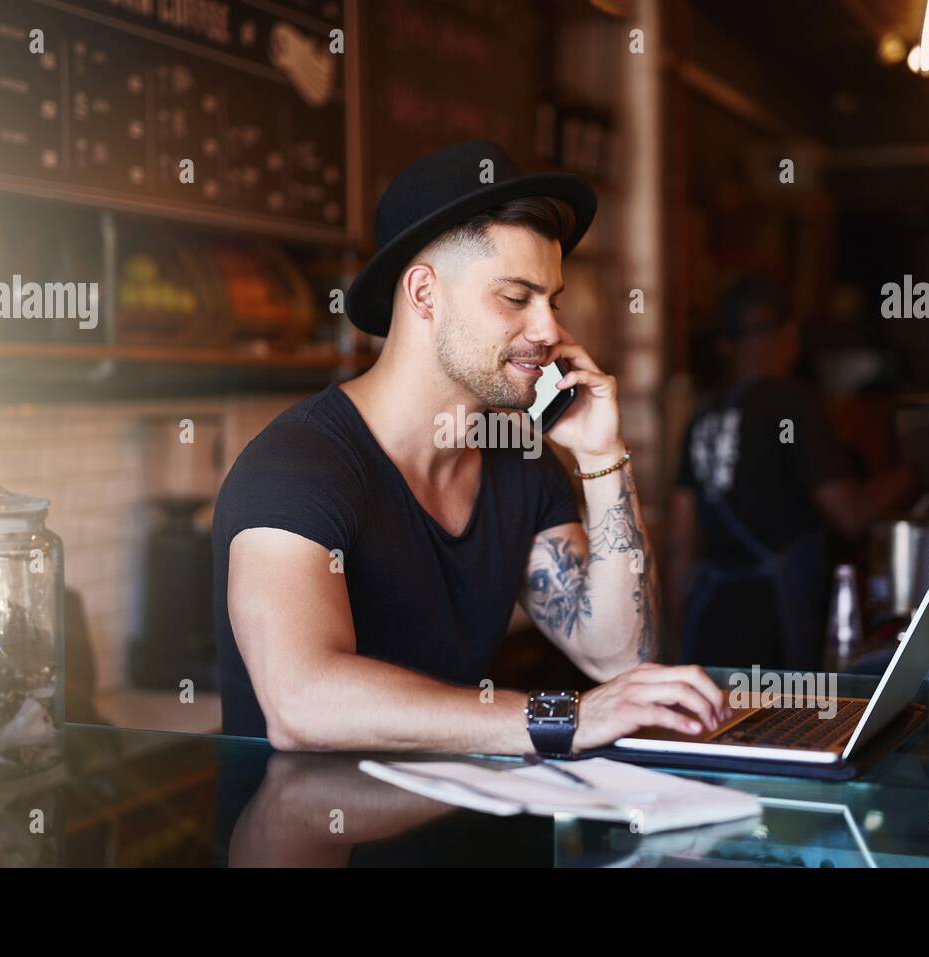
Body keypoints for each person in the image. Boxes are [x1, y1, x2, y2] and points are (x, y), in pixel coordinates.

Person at [213, 140, 730, 754]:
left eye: (552, 301)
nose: (549, 332)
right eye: (516, 298)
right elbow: (301, 703)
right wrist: (560, 718)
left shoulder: (520, 461)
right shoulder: (298, 465)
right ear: (425, 294)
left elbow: (620, 655)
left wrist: (601, 455)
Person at [669, 279, 913, 672]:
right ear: (790, 335)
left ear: (724, 346)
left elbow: (681, 542)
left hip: (709, 625)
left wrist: (679, 640)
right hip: (776, 628)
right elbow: (849, 515)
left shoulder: (702, 414)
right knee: (787, 732)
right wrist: (920, 471)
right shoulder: (791, 403)